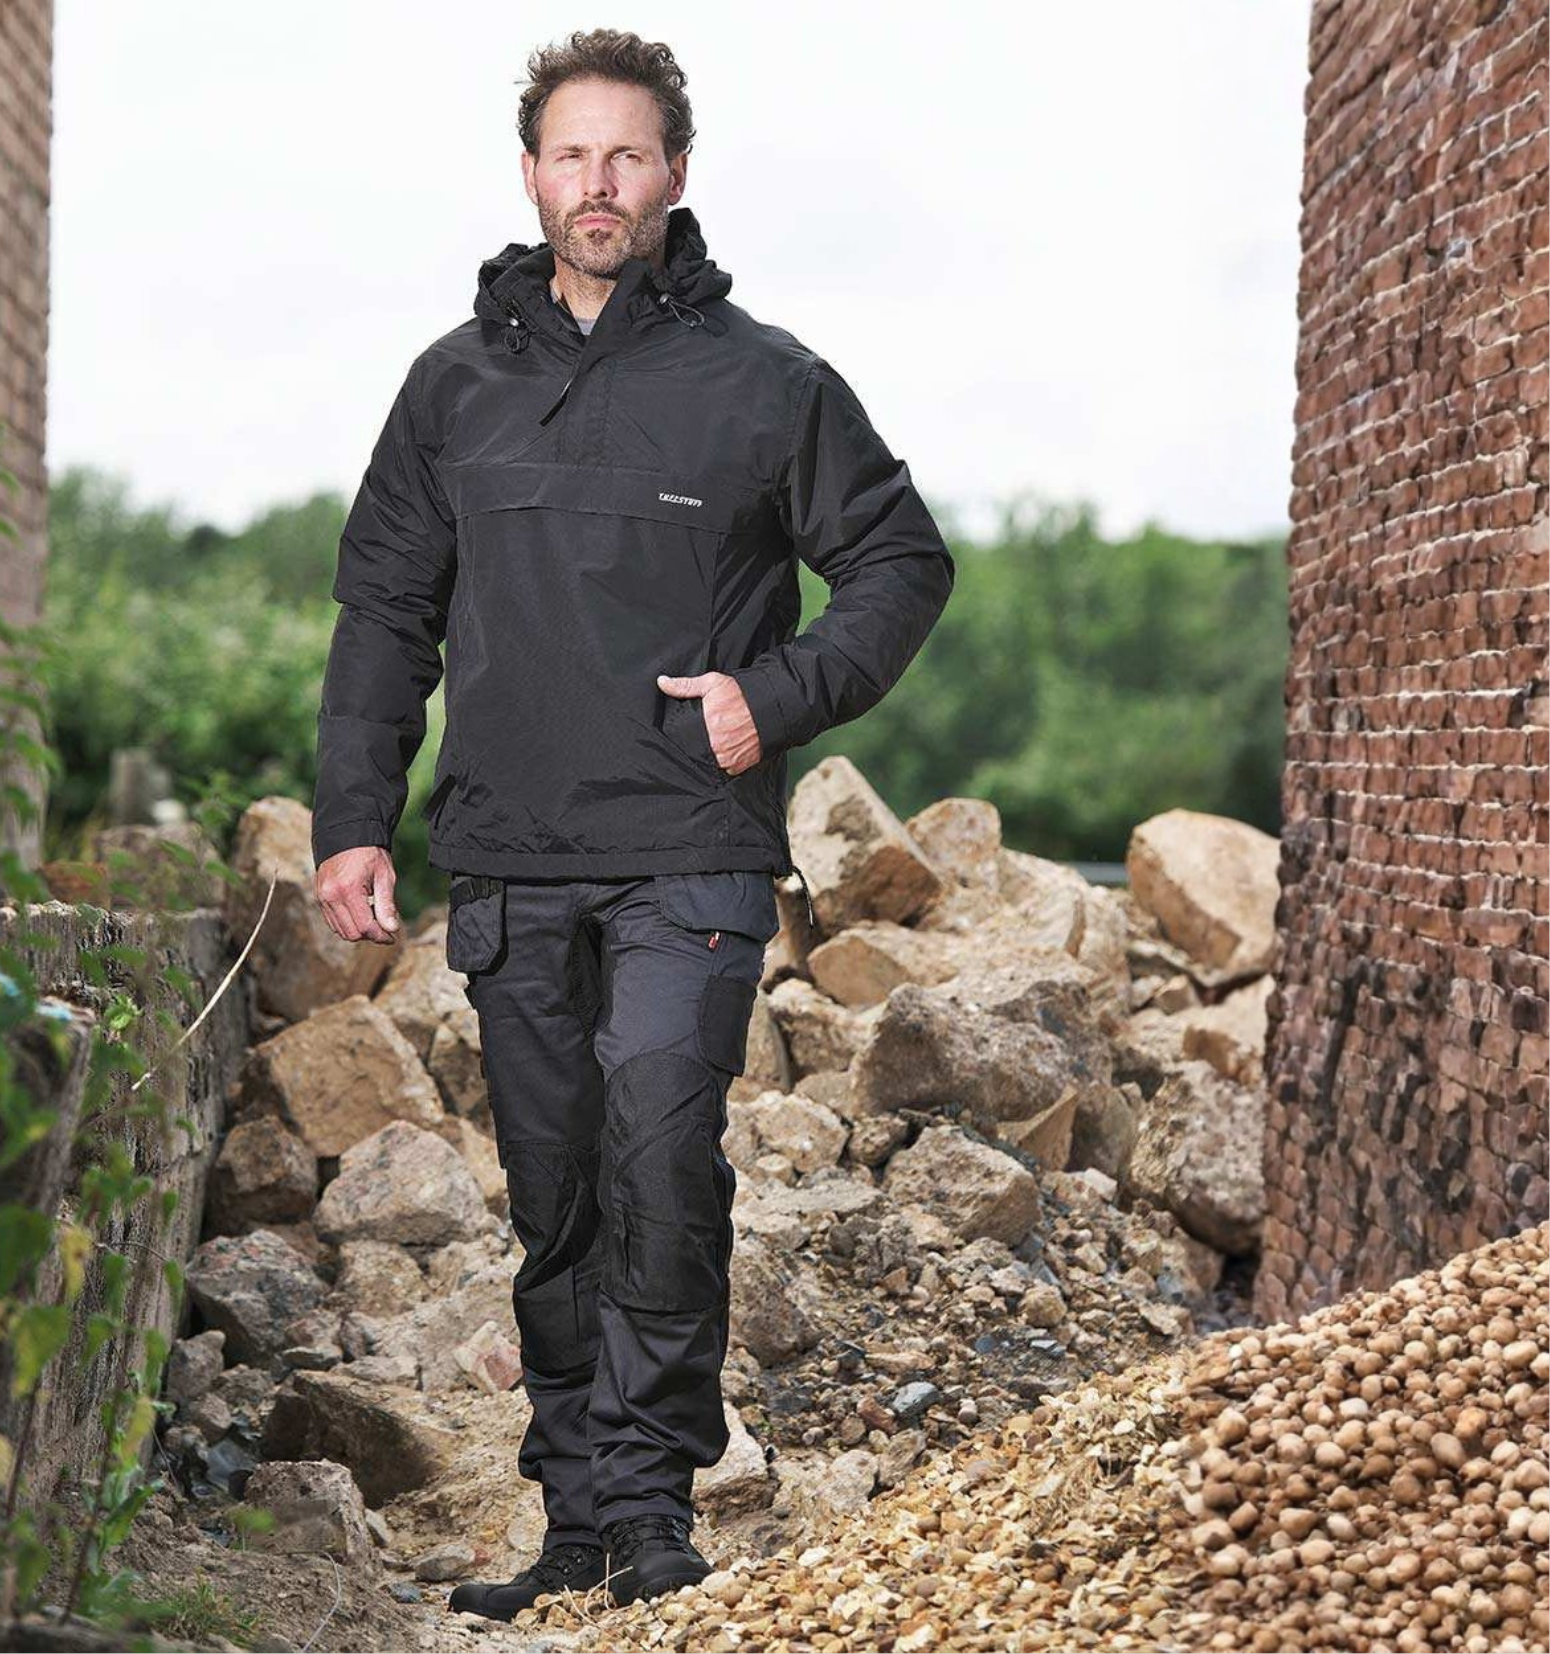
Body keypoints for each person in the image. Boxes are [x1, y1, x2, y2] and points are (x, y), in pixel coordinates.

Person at [310, 26, 954, 1621]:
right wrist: (352, 819)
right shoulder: (451, 386)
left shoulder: (766, 381)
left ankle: (656, 1506)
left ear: (674, 170)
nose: (597, 183)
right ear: (531, 174)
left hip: (691, 849)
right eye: (570, 155)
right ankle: (576, 1521)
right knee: (556, 1192)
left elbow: (899, 562)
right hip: (512, 854)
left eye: (627, 154)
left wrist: (773, 694)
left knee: (661, 1151)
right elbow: (384, 612)